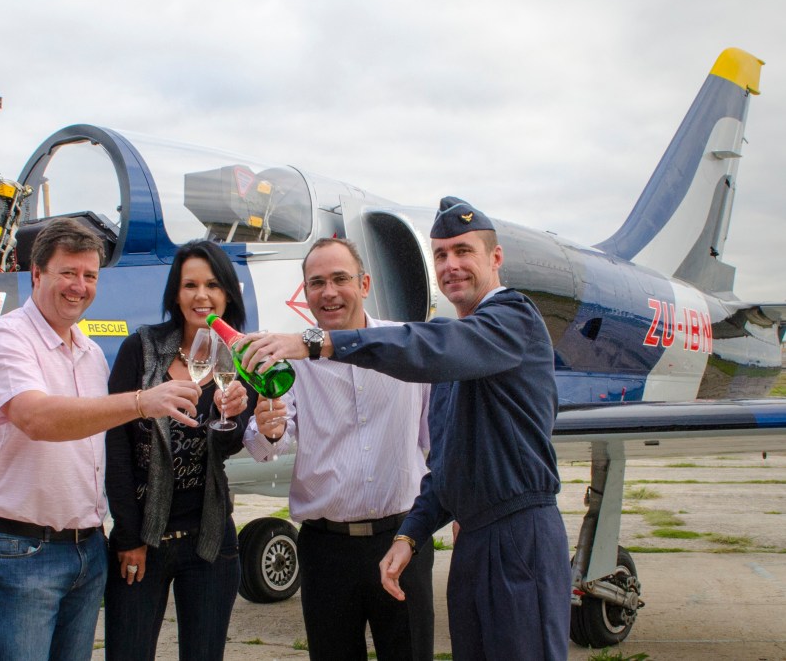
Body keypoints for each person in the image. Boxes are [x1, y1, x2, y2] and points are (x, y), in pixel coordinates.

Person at [238, 197, 571, 660]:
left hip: (517, 535)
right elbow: (444, 466)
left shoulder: (511, 319)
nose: (451, 265)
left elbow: (431, 345)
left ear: (495, 258)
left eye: (463, 251)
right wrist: (411, 535)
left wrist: (316, 342)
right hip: (466, 539)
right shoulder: (456, 356)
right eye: (441, 255)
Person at [0, 218, 202, 661]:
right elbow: (37, 419)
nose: (79, 286)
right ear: (36, 273)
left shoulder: (88, 354)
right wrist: (143, 401)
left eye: (90, 276)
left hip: (85, 549)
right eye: (68, 273)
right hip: (20, 549)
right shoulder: (6, 339)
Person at [242, 237, 434, 661]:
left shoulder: (406, 348)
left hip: (403, 541)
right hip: (326, 551)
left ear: (364, 283)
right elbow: (265, 446)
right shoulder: (290, 359)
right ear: (305, 294)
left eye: (340, 279)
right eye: (317, 283)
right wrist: (269, 431)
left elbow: (433, 442)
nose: (328, 292)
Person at [104, 240, 256, 661]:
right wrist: (128, 536)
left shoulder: (239, 360)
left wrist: (231, 418)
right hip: (143, 540)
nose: (201, 295)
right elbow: (115, 444)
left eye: (212, 284)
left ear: (228, 293)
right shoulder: (141, 349)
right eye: (190, 285)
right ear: (175, 293)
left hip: (209, 542)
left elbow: (225, 447)